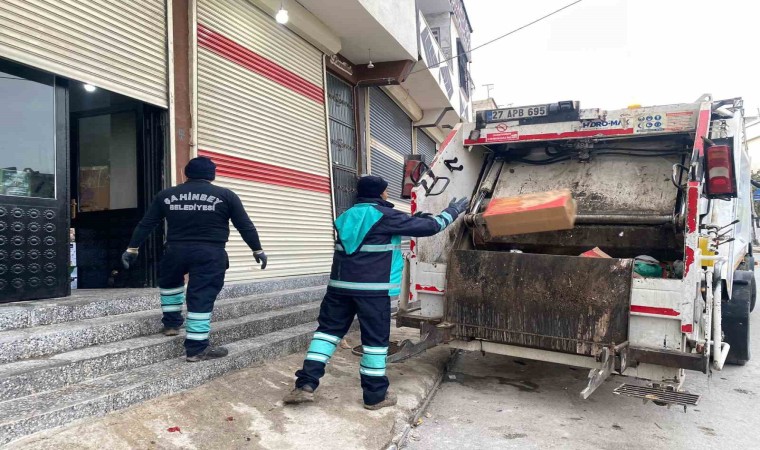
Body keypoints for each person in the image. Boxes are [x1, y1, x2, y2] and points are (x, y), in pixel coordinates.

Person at [283, 175, 468, 410]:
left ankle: (304, 385)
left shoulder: (345, 216)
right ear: (381, 193)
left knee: (327, 333)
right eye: (386, 191)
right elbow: (431, 227)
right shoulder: (387, 216)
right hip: (372, 292)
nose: (388, 195)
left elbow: (371, 232)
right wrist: (452, 211)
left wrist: (411, 220)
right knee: (375, 343)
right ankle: (375, 396)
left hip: (339, 289)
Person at [121, 157, 268, 362]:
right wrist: (257, 250)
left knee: (170, 284)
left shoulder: (166, 195)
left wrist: (132, 248)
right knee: (201, 295)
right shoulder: (226, 195)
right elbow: (245, 226)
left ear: (185, 173)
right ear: (212, 175)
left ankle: (171, 324)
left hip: (175, 251)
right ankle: (197, 348)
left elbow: (146, 224)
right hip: (210, 253)